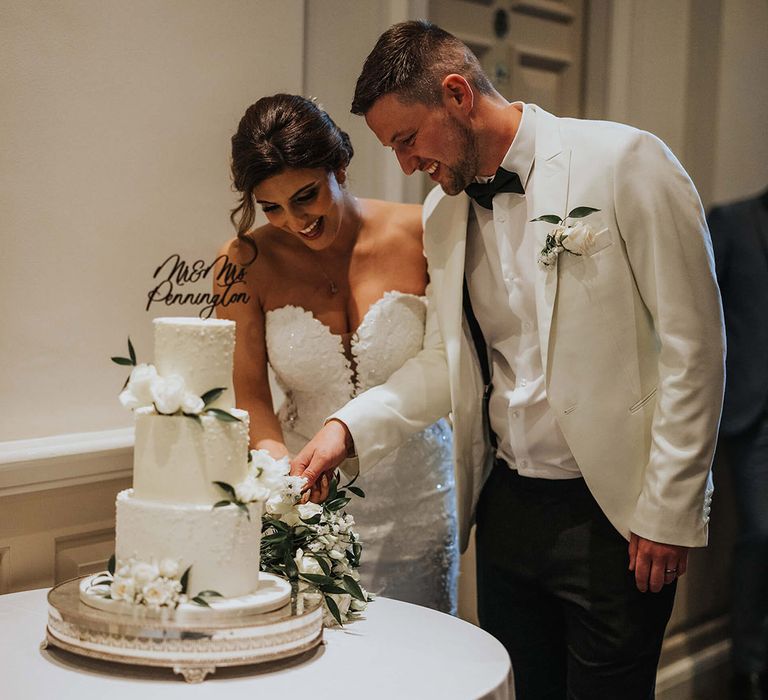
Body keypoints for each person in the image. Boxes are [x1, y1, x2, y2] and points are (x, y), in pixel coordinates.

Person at [291, 21, 726, 699]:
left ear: (457, 95)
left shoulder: (625, 162)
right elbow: (447, 360)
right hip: (507, 515)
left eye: (408, 140)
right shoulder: (443, 213)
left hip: (614, 518)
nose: (406, 165)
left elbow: (693, 346)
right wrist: (348, 427)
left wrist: (667, 510)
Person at [215, 93, 458, 614]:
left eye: (305, 196)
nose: (293, 220)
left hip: (420, 496)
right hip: (309, 496)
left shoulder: (424, 232)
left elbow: (449, 362)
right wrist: (287, 484)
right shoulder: (242, 262)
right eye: (271, 207)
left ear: (339, 166)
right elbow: (251, 396)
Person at [708, 189, 768, 700]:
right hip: (756, 411)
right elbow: (702, 319)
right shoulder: (732, 221)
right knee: (762, 534)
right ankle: (746, 667)